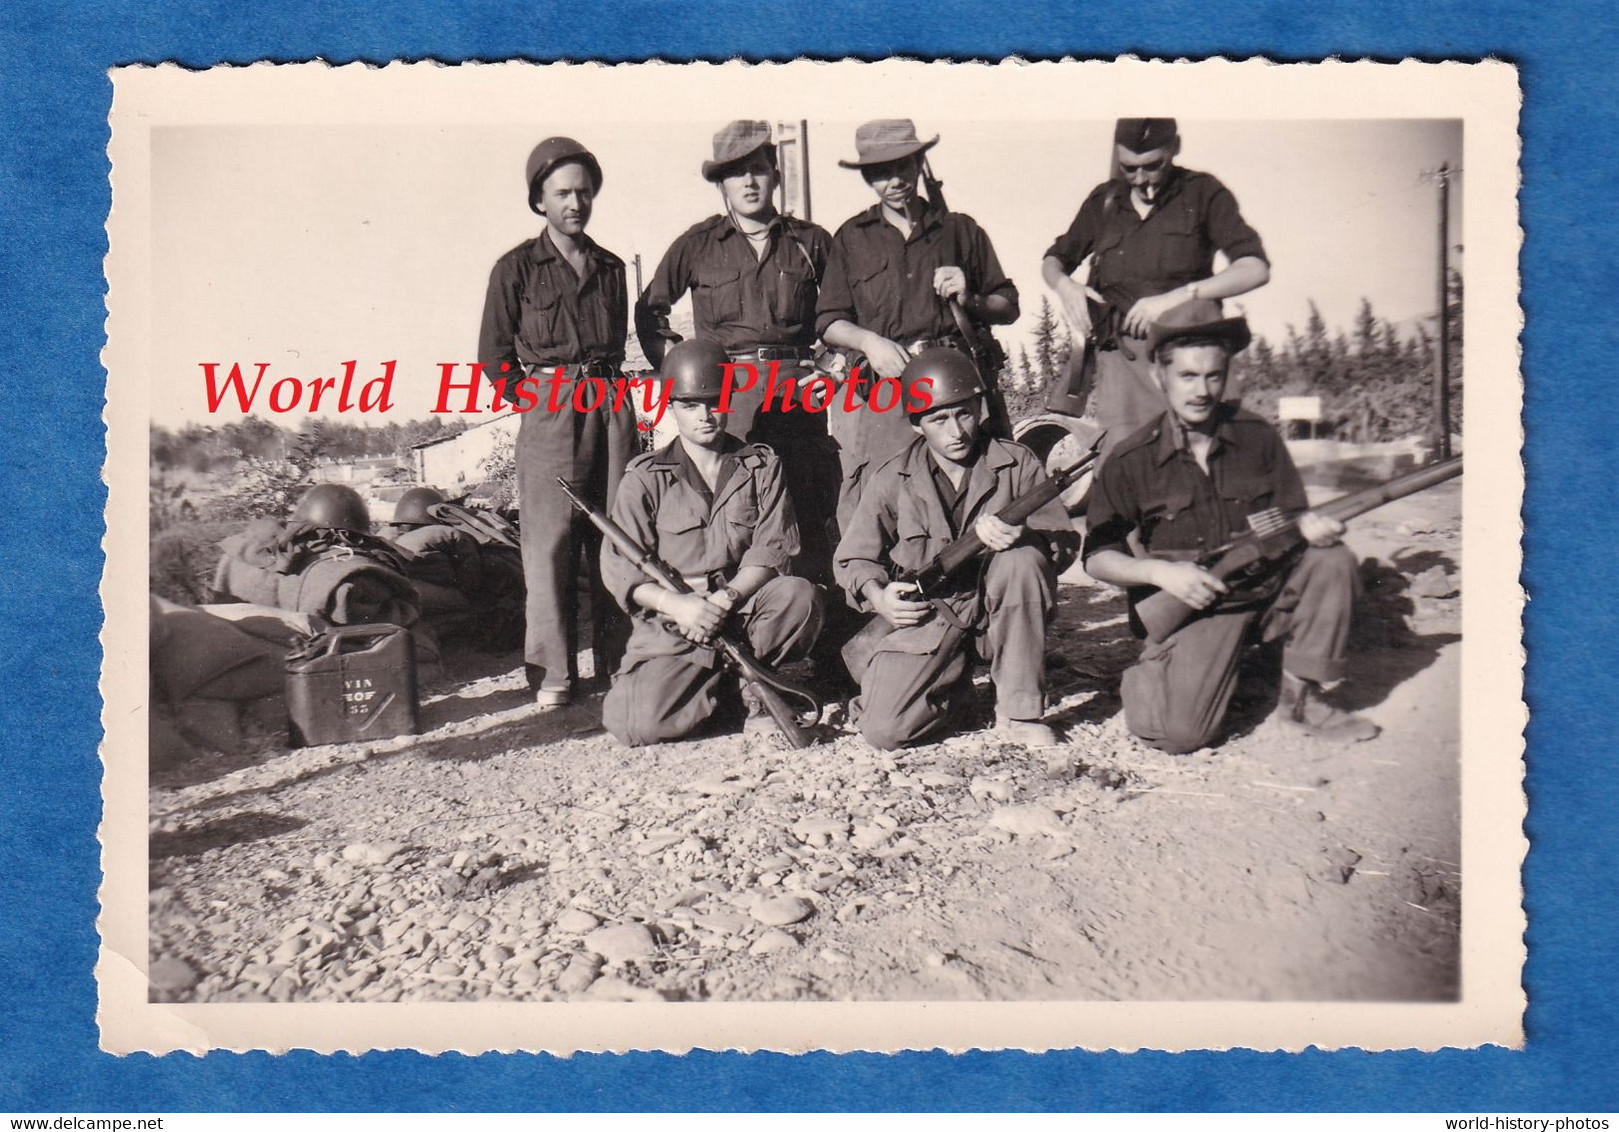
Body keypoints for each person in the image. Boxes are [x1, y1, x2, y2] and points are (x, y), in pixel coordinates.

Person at [1082, 299, 1379, 754]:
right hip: (1200, 604)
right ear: (1159, 377)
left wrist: (1311, 527)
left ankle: (1301, 699)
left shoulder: (1256, 437)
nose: (1201, 390)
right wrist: (1160, 574)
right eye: (1187, 376)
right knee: (1180, 735)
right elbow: (1098, 557)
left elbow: (1292, 514)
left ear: (1225, 376)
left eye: (1212, 376)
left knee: (1331, 560)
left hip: (1270, 590)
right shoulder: (1131, 459)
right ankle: (1169, 669)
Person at [834, 347, 1076, 751]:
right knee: (884, 731)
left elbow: (1062, 542)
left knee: (1021, 562)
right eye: (938, 419)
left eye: (964, 413)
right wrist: (880, 597)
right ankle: (955, 694)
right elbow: (853, 557)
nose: (956, 431)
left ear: (979, 408)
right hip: (931, 616)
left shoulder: (1016, 463)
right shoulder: (891, 477)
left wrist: (1024, 538)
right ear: (916, 424)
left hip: (998, 613)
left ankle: (1019, 712)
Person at [633, 120, 840, 588]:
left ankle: (815, 641)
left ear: (775, 174)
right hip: (729, 393)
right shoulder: (697, 244)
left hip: (798, 390)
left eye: (758, 169)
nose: (749, 182)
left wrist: (833, 367)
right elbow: (650, 311)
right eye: (736, 173)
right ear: (721, 183)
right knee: (734, 505)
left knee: (808, 505)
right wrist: (680, 376)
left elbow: (846, 312)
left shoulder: (811, 242)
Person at [600, 339, 824, 747]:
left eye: (715, 401)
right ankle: (724, 692)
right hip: (676, 622)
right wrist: (681, 606)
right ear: (671, 407)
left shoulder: (760, 465)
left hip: (741, 609)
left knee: (797, 594)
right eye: (690, 405)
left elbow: (774, 549)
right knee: (638, 725)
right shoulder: (645, 478)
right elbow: (622, 570)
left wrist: (726, 599)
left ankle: (756, 697)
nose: (705, 415)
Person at [478, 136, 635, 706]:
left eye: (584, 192)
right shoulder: (515, 268)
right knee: (550, 545)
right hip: (550, 411)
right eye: (563, 193)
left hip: (611, 404)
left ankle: (623, 662)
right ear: (539, 200)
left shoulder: (613, 268)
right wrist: (539, 402)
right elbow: (494, 357)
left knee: (619, 533)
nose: (576, 203)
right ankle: (555, 673)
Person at [817, 120, 1019, 526]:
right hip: (888, 389)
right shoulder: (852, 238)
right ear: (868, 177)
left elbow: (1007, 305)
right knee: (887, 495)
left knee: (977, 492)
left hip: (957, 387)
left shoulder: (961, 231)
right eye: (880, 172)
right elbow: (829, 321)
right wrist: (870, 344)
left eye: (903, 166)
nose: (894, 180)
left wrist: (969, 296)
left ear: (918, 163)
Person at [1040, 118, 1270, 459]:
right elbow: (1053, 260)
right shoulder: (1104, 201)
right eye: (1129, 169)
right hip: (1122, 362)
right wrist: (1066, 286)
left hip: (1190, 358)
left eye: (1153, 166)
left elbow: (1255, 269)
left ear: (1174, 147)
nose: (1142, 180)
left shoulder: (1203, 192)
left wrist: (1179, 296)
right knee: (1124, 464)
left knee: (1210, 457)